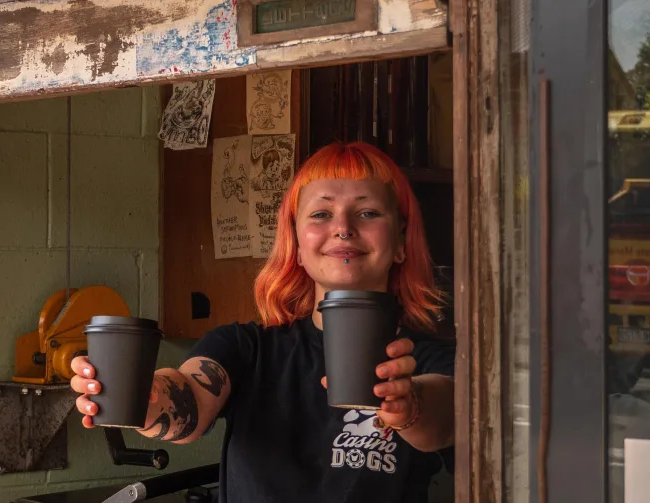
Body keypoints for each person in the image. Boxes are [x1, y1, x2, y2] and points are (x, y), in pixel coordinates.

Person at [70, 142, 455, 502]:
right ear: (297, 247)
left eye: (368, 212)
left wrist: (409, 407)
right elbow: (186, 405)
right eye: (321, 214)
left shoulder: (431, 359)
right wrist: (145, 394)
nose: (343, 227)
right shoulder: (246, 347)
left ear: (402, 240)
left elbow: (447, 417)